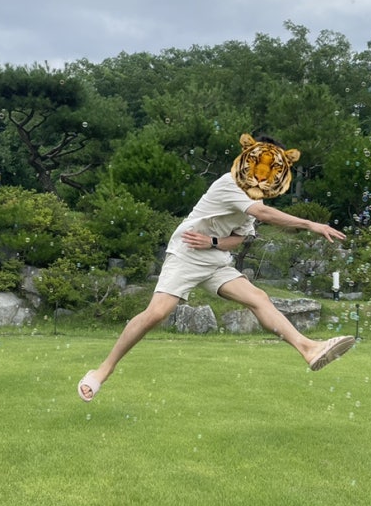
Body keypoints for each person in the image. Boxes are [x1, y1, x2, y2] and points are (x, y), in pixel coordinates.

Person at [77, 134, 355, 401]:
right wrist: (310, 224)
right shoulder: (230, 183)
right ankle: (103, 370)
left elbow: (238, 238)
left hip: (214, 258)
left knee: (258, 298)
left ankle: (308, 348)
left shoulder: (254, 196)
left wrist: (212, 241)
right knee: (157, 313)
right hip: (187, 252)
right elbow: (263, 214)